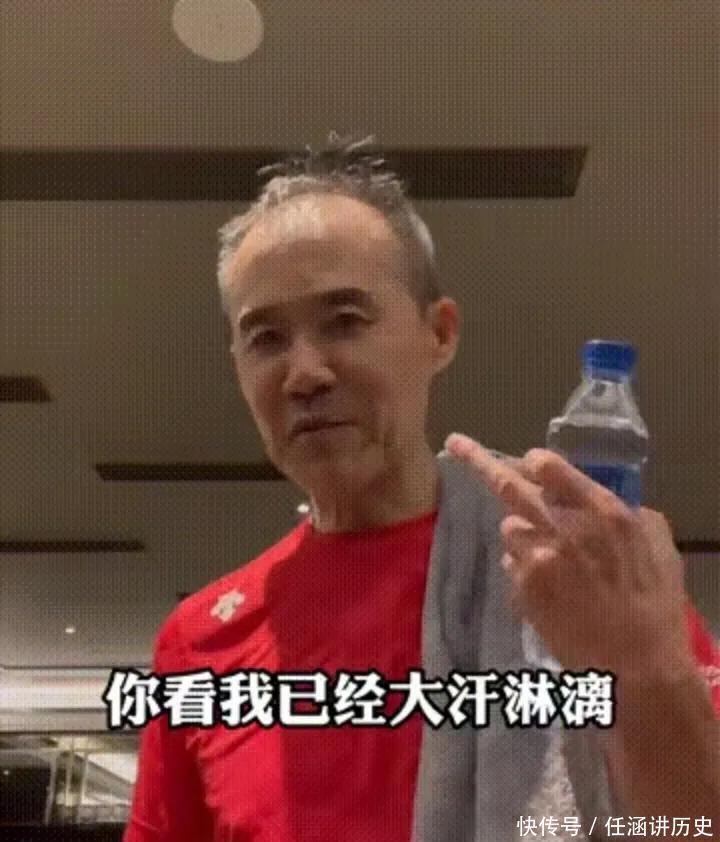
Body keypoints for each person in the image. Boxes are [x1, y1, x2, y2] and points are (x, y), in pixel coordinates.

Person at [124, 132, 720, 841]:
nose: (305, 372)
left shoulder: (577, 568)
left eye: (345, 321)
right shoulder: (201, 644)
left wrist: (644, 664)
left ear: (439, 334)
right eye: (266, 338)